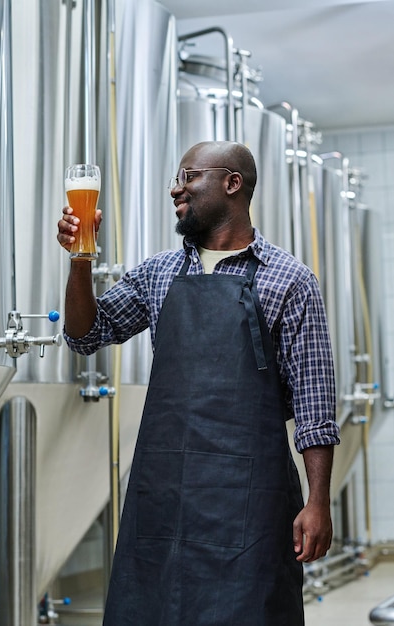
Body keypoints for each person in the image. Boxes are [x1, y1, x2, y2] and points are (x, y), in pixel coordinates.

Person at [57, 140, 340, 625]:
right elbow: (86, 336)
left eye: (188, 177)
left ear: (232, 184)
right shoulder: (159, 273)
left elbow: (315, 406)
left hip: (250, 499)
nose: (175, 189)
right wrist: (80, 259)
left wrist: (318, 502)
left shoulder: (290, 281)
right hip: (165, 496)